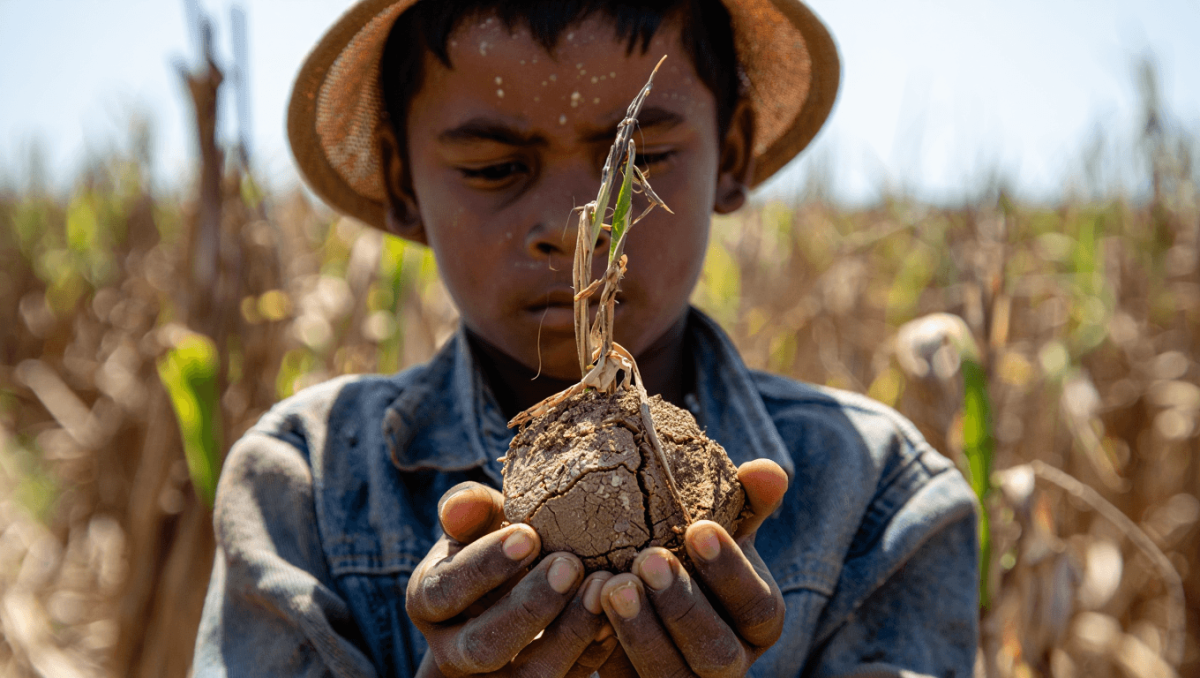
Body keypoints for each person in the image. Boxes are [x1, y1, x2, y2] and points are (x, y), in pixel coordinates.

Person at [193, 1, 980, 676]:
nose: (578, 231)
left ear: (731, 155)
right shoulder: (307, 486)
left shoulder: (879, 498)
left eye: (641, 162)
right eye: (496, 168)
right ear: (404, 183)